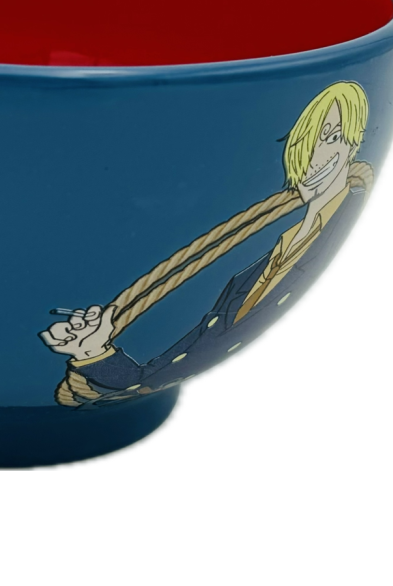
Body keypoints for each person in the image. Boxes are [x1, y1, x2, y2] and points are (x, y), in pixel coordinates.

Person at [40, 81, 370, 399]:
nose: (316, 156)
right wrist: (93, 349)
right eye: (307, 142)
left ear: (355, 143)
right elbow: (157, 375)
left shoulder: (335, 224)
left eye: (333, 138)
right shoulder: (246, 279)